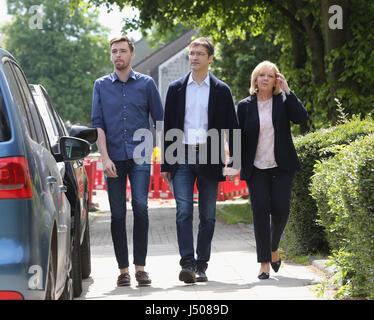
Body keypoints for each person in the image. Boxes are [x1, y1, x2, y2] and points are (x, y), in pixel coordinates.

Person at [161, 37, 239, 283]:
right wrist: (166, 163)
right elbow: (168, 127)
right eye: (191, 53)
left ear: (210, 58)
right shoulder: (175, 88)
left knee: (208, 214)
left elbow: (232, 127)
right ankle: (187, 263)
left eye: (199, 53)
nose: (193, 57)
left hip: (210, 153)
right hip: (181, 154)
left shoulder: (221, 90)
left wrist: (234, 161)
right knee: (183, 210)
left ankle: (202, 263)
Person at [91, 35, 163, 286]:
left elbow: (160, 121)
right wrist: (104, 157)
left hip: (141, 155)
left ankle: (140, 268)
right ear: (110, 55)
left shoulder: (146, 84)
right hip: (113, 158)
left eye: (122, 51)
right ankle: (123, 270)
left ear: (132, 55)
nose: (118, 55)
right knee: (118, 214)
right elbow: (98, 124)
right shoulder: (100, 85)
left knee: (141, 207)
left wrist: (163, 157)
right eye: (114, 51)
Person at [237, 60, 309, 279]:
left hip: (282, 166)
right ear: (255, 80)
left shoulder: (283, 101)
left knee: (281, 211)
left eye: (271, 75)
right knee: (260, 212)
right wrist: (234, 163)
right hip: (256, 167)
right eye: (262, 75)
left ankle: (274, 247)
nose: (266, 79)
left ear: (277, 80)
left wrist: (288, 91)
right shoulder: (244, 105)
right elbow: (237, 136)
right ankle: (264, 263)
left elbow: (301, 118)